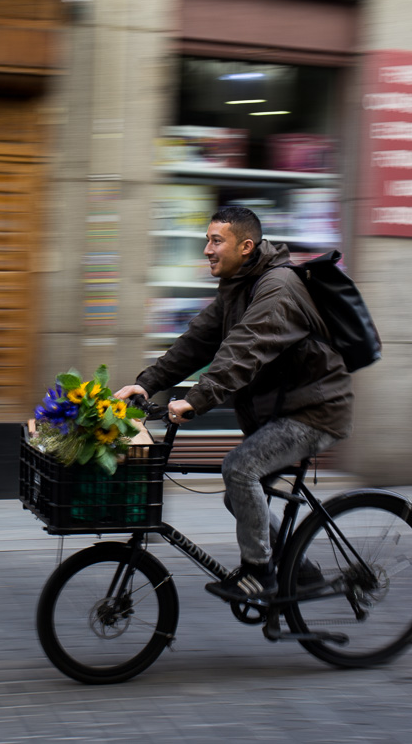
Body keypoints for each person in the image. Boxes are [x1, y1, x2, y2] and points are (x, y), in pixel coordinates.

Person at [114, 206, 353, 601]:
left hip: (314, 411)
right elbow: (196, 343)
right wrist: (146, 384)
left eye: (215, 241)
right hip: (282, 409)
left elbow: (244, 350)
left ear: (246, 246)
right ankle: (302, 571)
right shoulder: (237, 286)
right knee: (238, 492)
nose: (207, 250)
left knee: (239, 468)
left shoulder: (278, 288)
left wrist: (196, 400)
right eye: (206, 240)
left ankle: (261, 574)